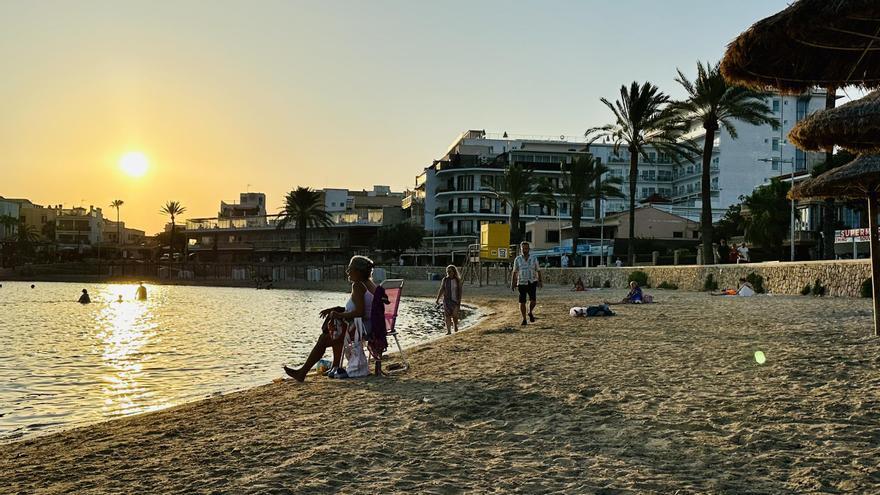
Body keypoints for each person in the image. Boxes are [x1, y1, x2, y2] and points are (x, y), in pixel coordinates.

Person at [283, 255, 378, 382]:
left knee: (324, 338)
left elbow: (359, 312)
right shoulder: (370, 284)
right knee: (336, 330)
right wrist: (337, 309)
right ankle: (335, 366)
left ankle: (302, 372)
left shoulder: (358, 286)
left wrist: (339, 315)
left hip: (362, 328)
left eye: (350, 269)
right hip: (369, 325)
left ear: (358, 272)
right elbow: (362, 308)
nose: (347, 271)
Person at [511, 241, 542, 326]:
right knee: (522, 302)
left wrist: (540, 281)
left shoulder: (534, 258)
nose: (525, 250)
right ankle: (524, 319)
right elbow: (514, 272)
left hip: (532, 281)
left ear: (529, 249)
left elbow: (538, 270)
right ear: (521, 249)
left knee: (533, 301)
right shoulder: (517, 259)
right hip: (521, 282)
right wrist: (513, 283)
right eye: (523, 248)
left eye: (526, 248)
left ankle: (530, 312)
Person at [435, 265, 462, 335]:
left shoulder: (457, 280)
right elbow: (441, 289)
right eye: (447, 271)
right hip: (447, 300)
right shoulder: (445, 280)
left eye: (450, 271)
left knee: (455, 315)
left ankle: (455, 325)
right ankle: (449, 331)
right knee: (447, 316)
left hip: (455, 300)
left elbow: (460, 291)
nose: (448, 273)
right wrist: (437, 299)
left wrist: (459, 300)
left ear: (454, 272)